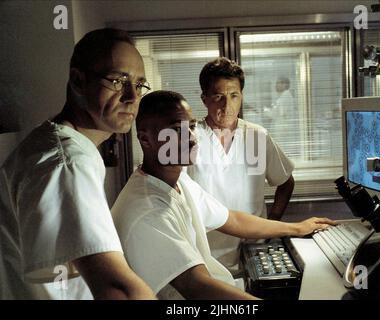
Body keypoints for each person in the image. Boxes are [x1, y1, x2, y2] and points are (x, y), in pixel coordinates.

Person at [111, 90, 335, 299]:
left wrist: (297, 228)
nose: (191, 138)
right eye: (177, 130)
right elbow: (196, 286)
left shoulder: (178, 180)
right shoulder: (147, 210)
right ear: (145, 139)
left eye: (191, 127)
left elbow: (232, 219)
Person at [0, 28, 156, 300]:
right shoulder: (67, 161)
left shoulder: (58, 145)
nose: (133, 96)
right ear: (78, 80)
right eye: (118, 80)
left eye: (140, 84)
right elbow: (118, 290)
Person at [186, 57, 296, 272]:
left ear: (241, 97)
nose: (227, 105)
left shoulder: (256, 137)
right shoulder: (188, 137)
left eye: (234, 96)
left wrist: (272, 223)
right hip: (205, 258)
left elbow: (285, 182)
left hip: (254, 254)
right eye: (218, 96)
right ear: (204, 98)